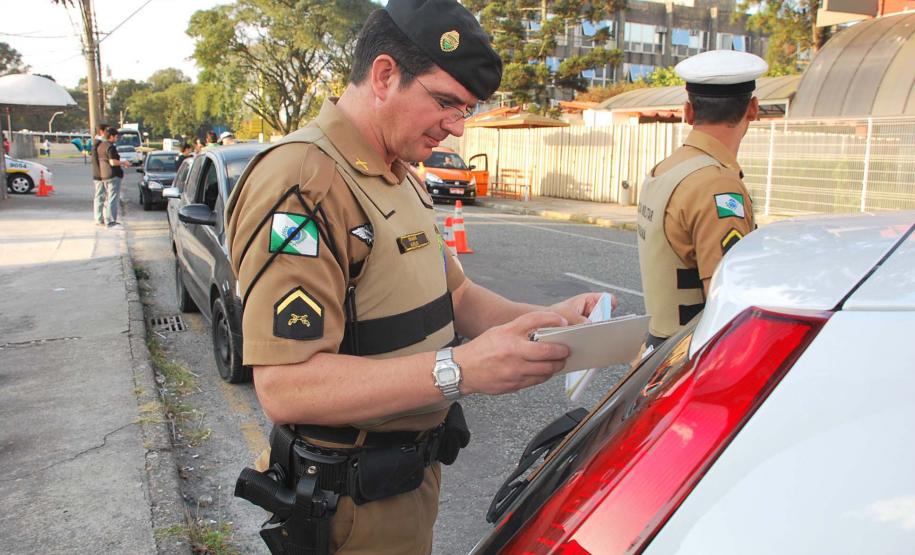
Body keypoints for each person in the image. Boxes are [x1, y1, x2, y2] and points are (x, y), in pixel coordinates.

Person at [226, 1, 606, 552]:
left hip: (406, 479)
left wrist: (553, 322)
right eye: (447, 103)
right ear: (384, 76)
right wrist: (463, 371)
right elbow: (286, 386)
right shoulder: (303, 179)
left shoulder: (402, 175)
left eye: (466, 110)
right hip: (349, 499)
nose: (455, 128)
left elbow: (458, 295)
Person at [636, 50, 766, 350]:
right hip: (693, 354)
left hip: (659, 349)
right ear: (753, 108)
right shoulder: (717, 185)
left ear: (689, 112)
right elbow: (726, 298)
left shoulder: (667, 169)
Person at [97, 127, 127, 227]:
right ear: (111, 136)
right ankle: (110, 220)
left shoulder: (101, 146)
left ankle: (107, 218)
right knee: (113, 198)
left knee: (108, 198)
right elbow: (112, 162)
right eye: (116, 137)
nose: (116, 139)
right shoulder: (110, 147)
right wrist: (124, 162)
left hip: (104, 175)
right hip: (113, 175)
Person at [91, 123, 110, 226]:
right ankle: (98, 218)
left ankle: (102, 217)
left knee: (104, 196)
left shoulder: (101, 142)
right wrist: (100, 174)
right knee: (99, 196)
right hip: (99, 175)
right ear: (102, 131)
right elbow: (95, 161)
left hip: (103, 174)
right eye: (106, 131)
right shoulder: (97, 143)